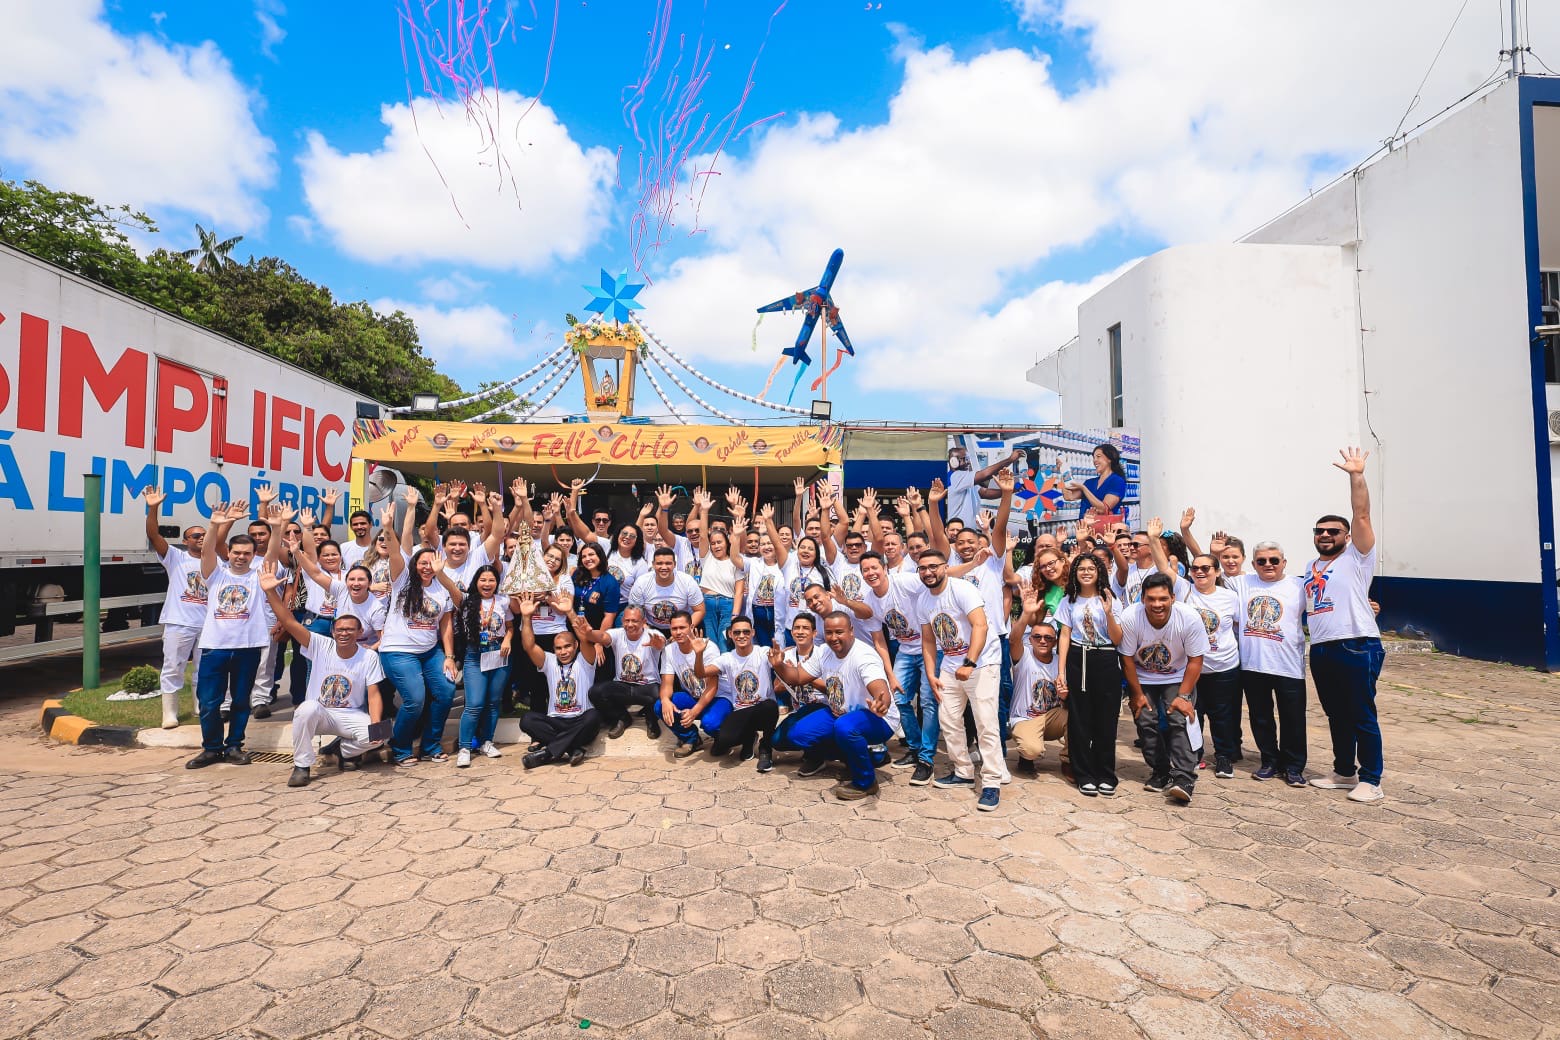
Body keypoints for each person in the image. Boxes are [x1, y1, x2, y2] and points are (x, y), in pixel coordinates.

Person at [1306, 447, 1388, 804]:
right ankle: (1343, 772)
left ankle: (1372, 778)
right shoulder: (1312, 567)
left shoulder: (1357, 557)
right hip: (1323, 648)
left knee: (1360, 714)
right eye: (1320, 530)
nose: (1325, 535)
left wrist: (1356, 475)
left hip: (1356, 644)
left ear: (1347, 536)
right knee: (1336, 714)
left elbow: (1363, 514)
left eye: (1333, 531)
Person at [259, 563, 385, 787]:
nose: (344, 633)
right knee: (306, 708)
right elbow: (288, 621)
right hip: (320, 712)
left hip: (351, 714)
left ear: (360, 633)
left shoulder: (369, 656)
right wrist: (270, 592)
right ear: (333, 631)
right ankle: (302, 765)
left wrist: (375, 725)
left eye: (350, 630)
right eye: (340, 629)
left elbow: (374, 694)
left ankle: (342, 750)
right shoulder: (319, 644)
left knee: (383, 732)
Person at [770, 611, 900, 801]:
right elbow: (796, 677)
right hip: (839, 713)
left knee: (845, 727)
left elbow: (879, 686)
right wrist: (779, 665)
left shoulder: (863, 655)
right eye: (829, 632)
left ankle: (865, 782)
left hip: (877, 717)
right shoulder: (824, 652)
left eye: (839, 632)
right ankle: (859, 758)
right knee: (798, 735)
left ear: (851, 631)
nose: (833, 638)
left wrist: (882, 703)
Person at [913, 549, 1004, 812]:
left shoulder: (962, 589)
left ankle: (991, 782)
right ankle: (963, 771)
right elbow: (928, 639)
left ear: (945, 567)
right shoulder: (923, 601)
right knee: (949, 720)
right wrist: (931, 673)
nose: (928, 572)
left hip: (982, 662)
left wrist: (970, 662)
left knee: (985, 722)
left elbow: (981, 626)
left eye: (934, 567)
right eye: (923, 568)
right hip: (951, 665)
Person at [185, 500, 271, 769]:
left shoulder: (259, 575)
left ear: (253, 555)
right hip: (215, 647)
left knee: (241, 702)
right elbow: (208, 549)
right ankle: (211, 749)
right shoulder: (215, 574)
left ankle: (234, 746)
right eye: (236, 552)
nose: (241, 557)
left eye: (246, 553)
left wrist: (277, 528)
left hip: (248, 648)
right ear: (229, 553)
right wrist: (214, 524)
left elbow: (273, 552)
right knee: (209, 702)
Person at [379, 498, 464, 766]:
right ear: (414, 564)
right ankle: (400, 746)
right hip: (399, 652)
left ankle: (430, 744)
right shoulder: (402, 579)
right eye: (422, 562)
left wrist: (449, 656)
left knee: (445, 691)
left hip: (430, 652)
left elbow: (447, 621)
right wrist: (387, 527)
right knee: (415, 700)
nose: (427, 566)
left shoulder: (440, 586)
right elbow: (394, 552)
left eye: (433, 562)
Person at [1234, 541, 1308, 786]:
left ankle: (1294, 766)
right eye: (1262, 561)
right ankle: (1269, 761)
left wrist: (1367, 606)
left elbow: (1331, 601)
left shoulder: (1298, 586)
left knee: (1293, 719)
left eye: (1274, 560)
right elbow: (1205, 573)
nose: (1268, 565)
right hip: (1253, 666)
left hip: (1288, 666)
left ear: (1283, 563)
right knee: (1261, 718)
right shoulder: (1242, 583)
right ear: (1253, 564)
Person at [861, 550, 937, 786]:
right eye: (865, 570)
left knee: (927, 701)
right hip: (904, 650)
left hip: (929, 646)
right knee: (901, 699)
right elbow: (879, 641)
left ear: (885, 568)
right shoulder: (869, 600)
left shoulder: (904, 581)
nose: (871, 573)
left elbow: (933, 587)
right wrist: (890, 674)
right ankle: (914, 749)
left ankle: (926, 759)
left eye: (875, 568)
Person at [1053, 553, 1124, 796]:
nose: (1086, 572)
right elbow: (1064, 635)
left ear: (1099, 572)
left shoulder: (1110, 598)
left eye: (1091, 568)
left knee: (1106, 719)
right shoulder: (1068, 601)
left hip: (1105, 658)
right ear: (1075, 572)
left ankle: (1105, 773)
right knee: (1079, 720)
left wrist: (1109, 613)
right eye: (1081, 568)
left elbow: (1117, 639)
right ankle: (1083, 773)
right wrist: (1061, 672)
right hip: (1077, 658)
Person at [142, 487, 206, 730]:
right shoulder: (176, 558)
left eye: (204, 534)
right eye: (195, 535)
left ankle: (201, 707)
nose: (200, 537)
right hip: (179, 623)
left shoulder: (217, 561)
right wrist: (153, 508)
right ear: (185, 541)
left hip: (208, 625)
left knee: (205, 670)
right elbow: (153, 535)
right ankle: (169, 713)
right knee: (173, 667)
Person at [517, 596, 603, 768]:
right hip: (556, 722)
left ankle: (549, 752)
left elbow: (586, 638)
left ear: (576, 646)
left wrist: (569, 612)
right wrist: (526, 618)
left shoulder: (585, 660)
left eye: (567, 646)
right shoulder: (548, 661)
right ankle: (572, 749)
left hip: (580, 721)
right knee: (527, 719)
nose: (563, 651)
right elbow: (529, 646)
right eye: (558, 648)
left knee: (593, 716)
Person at [1180, 552, 1244, 778]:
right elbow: (1164, 567)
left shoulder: (1230, 597)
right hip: (1192, 668)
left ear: (1217, 572)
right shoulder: (1185, 593)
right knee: (1193, 714)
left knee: (1223, 716)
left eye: (1206, 568)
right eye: (1195, 568)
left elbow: (1239, 626)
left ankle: (1224, 757)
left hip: (1224, 666)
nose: (1200, 572)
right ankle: (1194, 755)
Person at [694, 615, 779, 771]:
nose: (741, 636)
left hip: (763, 709)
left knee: (770, 706)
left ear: (753, 633)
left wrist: (778, 663)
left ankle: (766, 748)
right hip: (741, 710)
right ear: (730, 634)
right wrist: (699, 654)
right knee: (725, 740)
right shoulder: (727, 658)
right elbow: (701, 673)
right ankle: (749, 738)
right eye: (737, 632)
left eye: (746, 632)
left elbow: (778, 663)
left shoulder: (763, 652)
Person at [454, 566, 510, 768]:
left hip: (499, 653)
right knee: (475, 703)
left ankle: (487, 742)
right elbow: (450, 588)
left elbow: (511, 626)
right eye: (483, 580)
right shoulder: (466, 600)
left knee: (494, 702)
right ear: (476, 581)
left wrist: (508, 640)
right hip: (475, 655)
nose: (487, 584)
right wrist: (440, 572)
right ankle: (465, 747)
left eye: (492, 580)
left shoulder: (504, 600)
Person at [583, 605, 665, 738]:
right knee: (596, 692)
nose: (630, 624)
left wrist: (658, 644)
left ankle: (651, 719)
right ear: (622, 622)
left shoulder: (653, 635)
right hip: (622, 685)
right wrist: (589, 633)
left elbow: (660, 643)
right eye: (627, 621)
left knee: (662, 696)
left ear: (643, 622)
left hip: (647, 686)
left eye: (634, 621)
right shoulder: (618, 633)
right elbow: (603, 636)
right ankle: (622, 717)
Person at [510, 544, 576, 708]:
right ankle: (538, 719)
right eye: (550, 556)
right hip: (530, 634)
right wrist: (515, 595)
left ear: (562, 563)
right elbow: (517, 610)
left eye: (558, 559)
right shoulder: (526, 577)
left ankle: (560, 713)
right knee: (534, 680)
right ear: (542, 556)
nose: (553, 561)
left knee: (557, 678)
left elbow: (564, 611)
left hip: (555, 635)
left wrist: (547, 596)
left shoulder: (564, 580)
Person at [1009, 590, 1066, 776]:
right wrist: (1026, 613)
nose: (1042, 641)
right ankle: (1026, 758)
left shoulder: (1060, 662)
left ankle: (1069, 761)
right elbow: (1013, 639)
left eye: (1048, 638)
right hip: (1026, 718)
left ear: (1055, 642)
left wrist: (1066, 696)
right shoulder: (1024, 656)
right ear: (1030, 639)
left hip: (1052, 718)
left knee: (1079, 717)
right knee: (1031, 750)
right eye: (1037, 637)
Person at [657, 611, 720, 757]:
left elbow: (713, 686)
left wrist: (694, 712)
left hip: (716, 698)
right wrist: (665, 700)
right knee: (660, 706)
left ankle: (727, 738)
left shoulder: (709, 647)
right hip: (692, 697)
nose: (678, 632)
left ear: (691, 627)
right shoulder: (669, 650)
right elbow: (667, 684)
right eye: (674, 629)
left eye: (682, 628)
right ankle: (691, 738)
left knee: (710, 724)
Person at [629, 547, 705, 635]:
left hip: (683, 626)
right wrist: (647, 632)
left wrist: (684, 630)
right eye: (659, 563)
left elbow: (699, 610)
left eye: (668, 563)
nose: (664, 567)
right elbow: (635, 612)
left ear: (674, 564)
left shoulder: (687, 581)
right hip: (652, 627)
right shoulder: (641, 582)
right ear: (653, 564)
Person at [945, 443, 1022, 528]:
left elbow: (985, 493)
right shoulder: (955, 477)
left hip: (969, 530)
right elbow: (986, 474)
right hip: (957, 532)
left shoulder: (966, 480)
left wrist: (1011, 490)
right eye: (964, 459)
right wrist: (1010, 460)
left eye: (968, 459)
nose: (968, 462)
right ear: (953, 462)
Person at [698, 524, 746, 650]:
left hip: (728, 605)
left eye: (719, 542)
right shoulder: (706, 557)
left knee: (725, 642)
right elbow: (702, 536)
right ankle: (714, 669)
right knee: (711, 643)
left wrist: (735, 615)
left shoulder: (735, 562)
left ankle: (725, 670)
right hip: (708, 603)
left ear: (727, 543)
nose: (716, 546)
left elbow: (739, 591)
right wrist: (703, 510)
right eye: (713, 543)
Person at [1060, 443, 1128, 529]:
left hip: (1105, 532)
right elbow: (1068, 496)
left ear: (1109, 459)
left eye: (1098, 456)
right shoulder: (1090, 482)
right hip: (1084, 530)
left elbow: (1103, 509)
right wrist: (1063, 470)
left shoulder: (1117, 481)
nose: (1094, 460)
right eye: (1094, 457)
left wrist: (1084, 489)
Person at [571, 542, 621, 633]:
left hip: (596, 630)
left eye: (591, 555)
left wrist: (599, 641)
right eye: (584, 556)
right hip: (574, 626)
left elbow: (609, 616)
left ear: (600, 556)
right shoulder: (577, 574)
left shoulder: (610, 582)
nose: (587, 559)